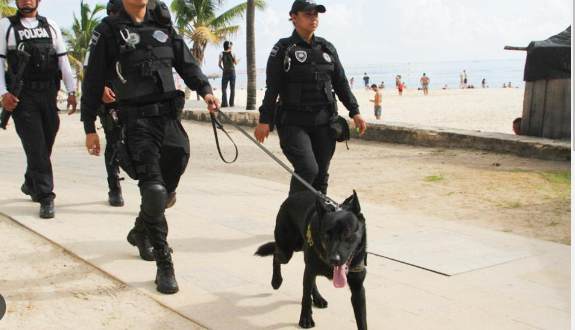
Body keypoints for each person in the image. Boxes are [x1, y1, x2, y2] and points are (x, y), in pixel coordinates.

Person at [81, 0, 219, 294]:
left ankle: (140, 229)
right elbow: (92, 81)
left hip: (169, 120)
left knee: (169, 185)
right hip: (136, 123)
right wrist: (89, 127)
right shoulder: (108, 30)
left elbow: (186, 63)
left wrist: (206, 92)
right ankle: (164, 264)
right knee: (154, 191)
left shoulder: (164, 24)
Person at [253, 0, 367, 196]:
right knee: (308, 169)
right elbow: (272, 89)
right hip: (293, 122)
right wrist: (265, 120)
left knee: (321, 176)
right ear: (294, 18)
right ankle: (292, 216)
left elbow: (341, 83)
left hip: (324, 121)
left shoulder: (327, 48)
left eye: (316, 14)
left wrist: (355, 112)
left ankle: (316, 222)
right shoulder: (282, 49)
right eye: (308, 14)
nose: (313, 18)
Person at [0, 0, 77, 218]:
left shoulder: (50, 25)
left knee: (47, 140)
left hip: (48, 94)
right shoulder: (6, 26)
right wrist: (2, 93)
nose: (26, 1)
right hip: (22, 96)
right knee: (35, 144)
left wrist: (71, 91)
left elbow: (63, 61)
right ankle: (45, 196)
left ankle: (30, 181)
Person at [91, 0, 125, 207]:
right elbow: (92, 66)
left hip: (134, 98)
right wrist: (100, 88)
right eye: (114, 13)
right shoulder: (101, 33)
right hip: (110, 98)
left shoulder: (136, 31)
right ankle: (114, 187)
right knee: (113, 144)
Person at [218, 40, 239, 107]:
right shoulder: (233, 53)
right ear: (229, 46)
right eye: (231, 45)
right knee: (232, 88)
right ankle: (231, 103)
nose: (231, 47)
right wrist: (238, 61)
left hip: (225, 72)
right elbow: (236, 63)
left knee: (224, 88)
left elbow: (219, 64)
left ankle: (224, 103)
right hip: (232, 72)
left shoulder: (221, 54)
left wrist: (223, 69)